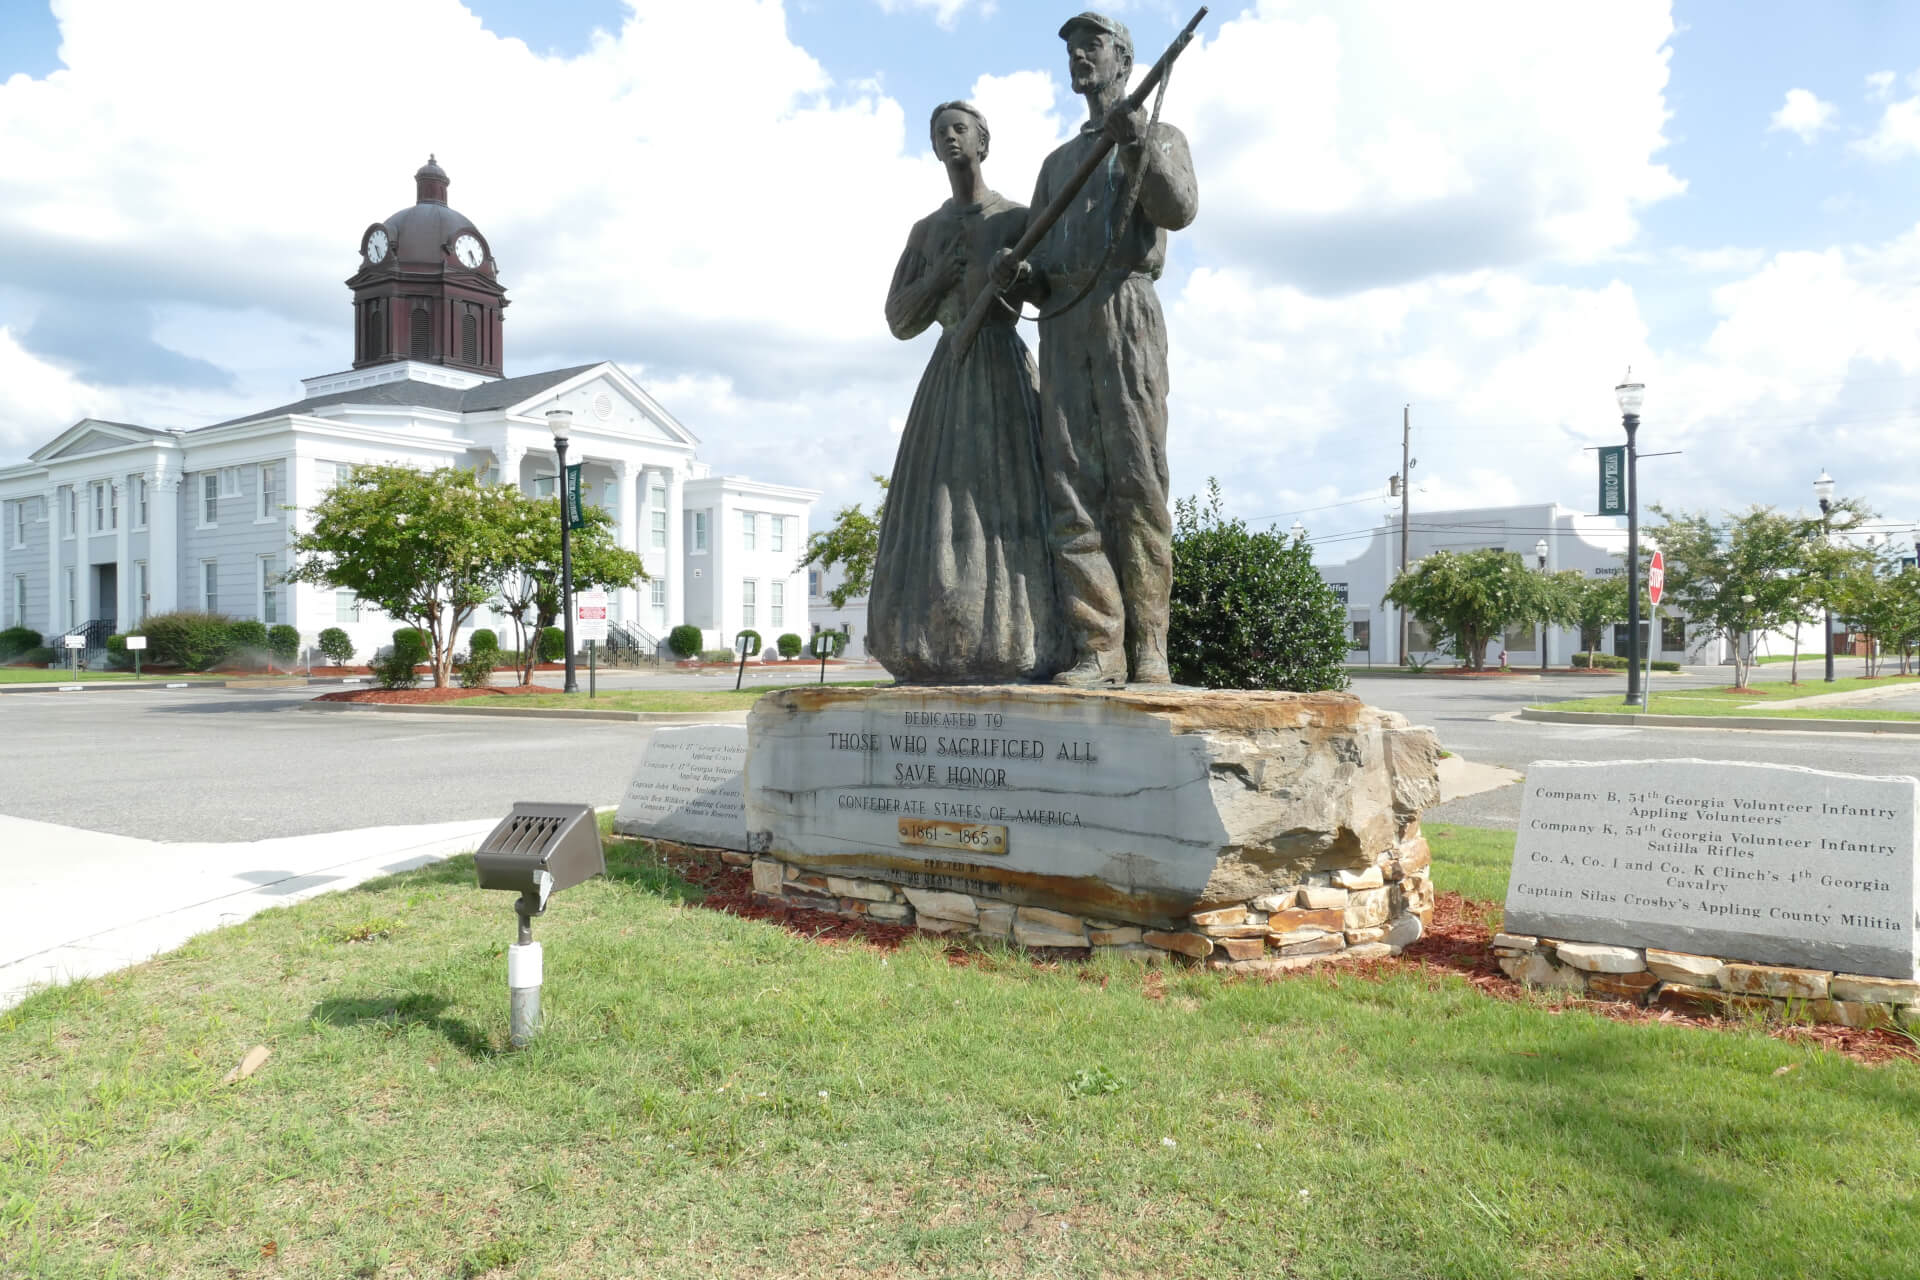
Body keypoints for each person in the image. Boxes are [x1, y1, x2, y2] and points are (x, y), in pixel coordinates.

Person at [995, 11, 1198, 687]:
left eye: (1094, 46)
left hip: (1126, 311)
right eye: (1073, 49)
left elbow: (1177, 209)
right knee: (1071, 490)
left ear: (1124, 59)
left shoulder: (1159, 132)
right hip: (1064, 320)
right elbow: (1040, 265)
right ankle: (1099, 647)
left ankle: (1151, 649)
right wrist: (1021, 278)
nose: (1081, 56)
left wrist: (1136, 142)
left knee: (1137, 483)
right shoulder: (1057, 165)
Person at [866, 102, 1062, 684]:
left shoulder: (1019, 218)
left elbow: (1052, 291)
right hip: (949, 373)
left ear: (983, 140)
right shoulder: (926, 231)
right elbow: (899, 320)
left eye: (959, 129)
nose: (949, 139)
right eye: (939, 133)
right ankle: (930, 637)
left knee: (1008, 504)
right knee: (937, 505)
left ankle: (1015, 635)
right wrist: (940, 277)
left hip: (1002, 368)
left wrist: (1022, 276)